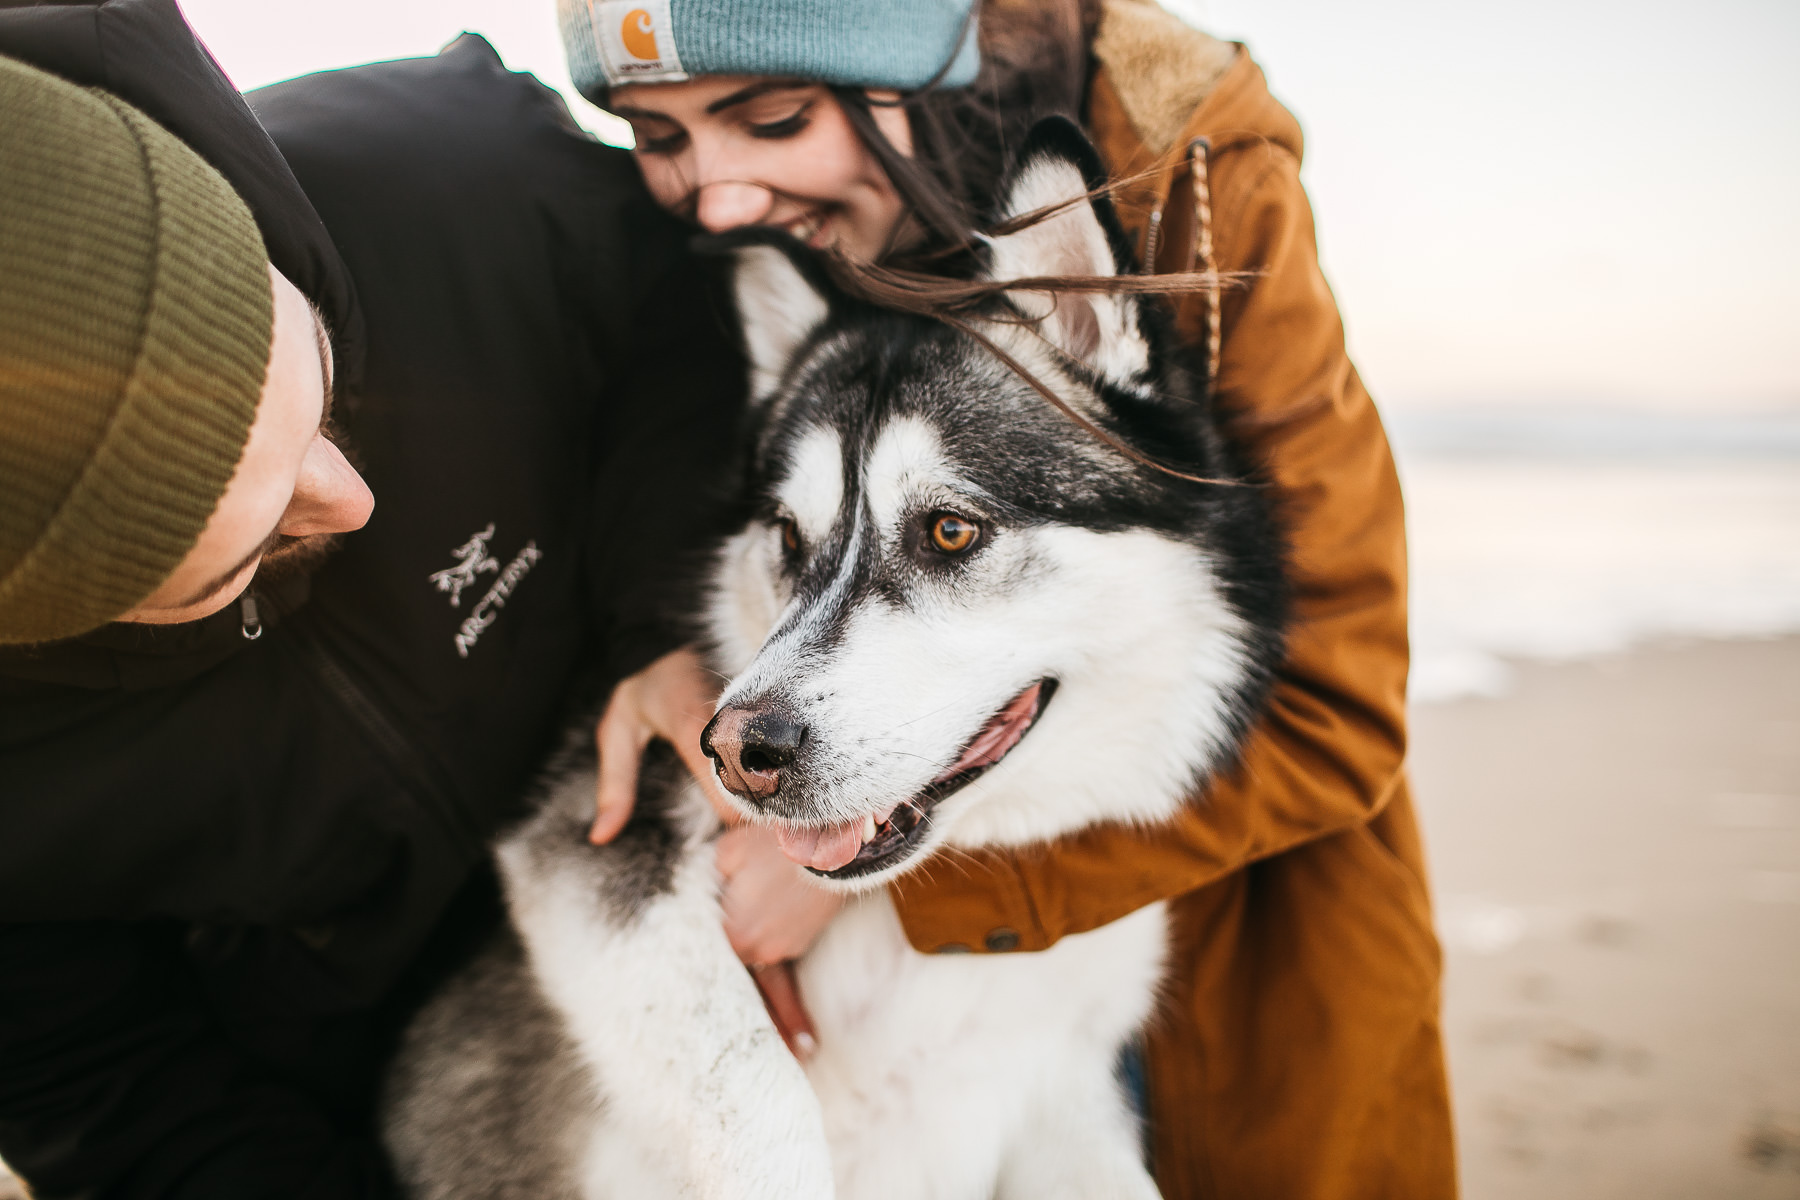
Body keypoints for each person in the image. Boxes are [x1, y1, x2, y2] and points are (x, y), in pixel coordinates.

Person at [565, 0, 1458, 1195]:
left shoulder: (1193, 180)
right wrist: (651, 641)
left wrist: (850, 863)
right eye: (654, 137)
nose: (714, 196)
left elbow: (1335, 709)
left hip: (1201, 918)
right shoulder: (760, 224)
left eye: (771, 117)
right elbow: (666, 445)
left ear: (915, 68)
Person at [0, 3, 744, 1193]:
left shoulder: (455, 175)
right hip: (395, 1089)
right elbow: (100, 1082)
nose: (351, 502)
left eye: (322, 387)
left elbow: (691, 315)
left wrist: (666, 612)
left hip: (729, 868)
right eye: (248, 552)